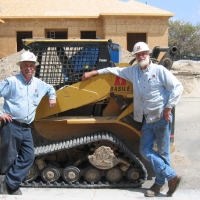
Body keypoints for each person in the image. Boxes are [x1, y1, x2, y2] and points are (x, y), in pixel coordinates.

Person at [82, 42, 183, 197]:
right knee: (145, 150)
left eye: (143, 53)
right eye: (138, 54)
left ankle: (158, 185)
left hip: (161, 116)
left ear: (148, 54)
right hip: (147, 119)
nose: (141, 56)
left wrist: (169, 107)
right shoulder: (133, 71)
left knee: (163, 153)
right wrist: (94, 72)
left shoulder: (159, 70)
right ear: (135, 57)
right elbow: (114, 70)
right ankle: (171, 175)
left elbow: (177, 87)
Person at [0, 51, 57, 195]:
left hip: (26, 128)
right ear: (21, 67)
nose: (28, 68)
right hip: (11, 125)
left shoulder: (39, 83)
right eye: (25, 65)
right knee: (9, 156)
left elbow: (50, 88)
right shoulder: (11, 82)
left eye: (31, 66)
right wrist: (0, 114)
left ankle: (9, 182)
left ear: (34, 68)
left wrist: (52, 97)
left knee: (28, 156)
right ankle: (7, 187)